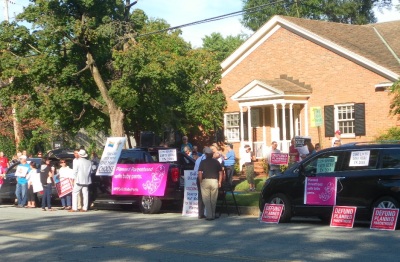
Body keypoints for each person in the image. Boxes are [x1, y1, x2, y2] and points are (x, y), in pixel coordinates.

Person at [198, 147, 223, 221]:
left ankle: (209, 216)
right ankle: (213, 214)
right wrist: (220, 182)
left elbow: (200, 172)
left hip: (205, 181)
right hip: (214, 181)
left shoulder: (203, 162)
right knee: (213, 199)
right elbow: (220, 172)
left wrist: (200, 181)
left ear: (205, 154)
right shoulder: (216, 162)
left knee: (206, 199)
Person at [194, 148, 207, 219]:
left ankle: (200, 213)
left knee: (200, 196)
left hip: (198, 178)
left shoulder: (198, 159)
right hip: (205, 178)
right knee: (207, 195)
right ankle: (207, 212)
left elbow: (195, 170)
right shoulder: (206, 160)